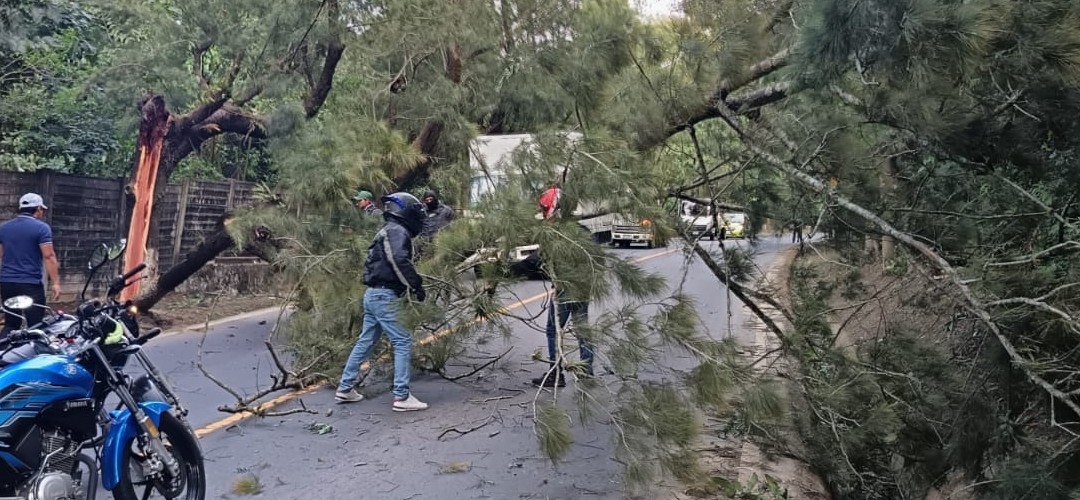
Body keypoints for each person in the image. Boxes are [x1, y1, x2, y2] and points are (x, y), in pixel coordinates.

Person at [336, 192, 429, 412]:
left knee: (366, 341)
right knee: (403, 340)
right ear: (407, 213)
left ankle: (345, 387)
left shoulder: (387, 230)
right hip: (384, 296)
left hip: (372, 295)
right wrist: (415, 284)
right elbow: (398, 260)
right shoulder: (397, 231)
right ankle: (401, 396)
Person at [530, 185, 595, 387]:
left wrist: (510, 268)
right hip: (583, 287)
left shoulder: (556, 234)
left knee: (553, 330)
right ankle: (586, 370)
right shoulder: (582, 230)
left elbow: (536, 260)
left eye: (544, 208)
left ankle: (555, 373)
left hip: (566, 288)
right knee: (582, 329)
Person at [0, 193, 60, 335]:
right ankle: (34, 354)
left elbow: (0, 254)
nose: (42, 212)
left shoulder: (4, 228)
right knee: (36, 326)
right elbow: (49, 256)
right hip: (30, 284)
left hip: (7, 283)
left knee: (11, 323)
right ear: (38, 208)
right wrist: (56, 283)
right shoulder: (42, 228)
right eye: (42, 210)